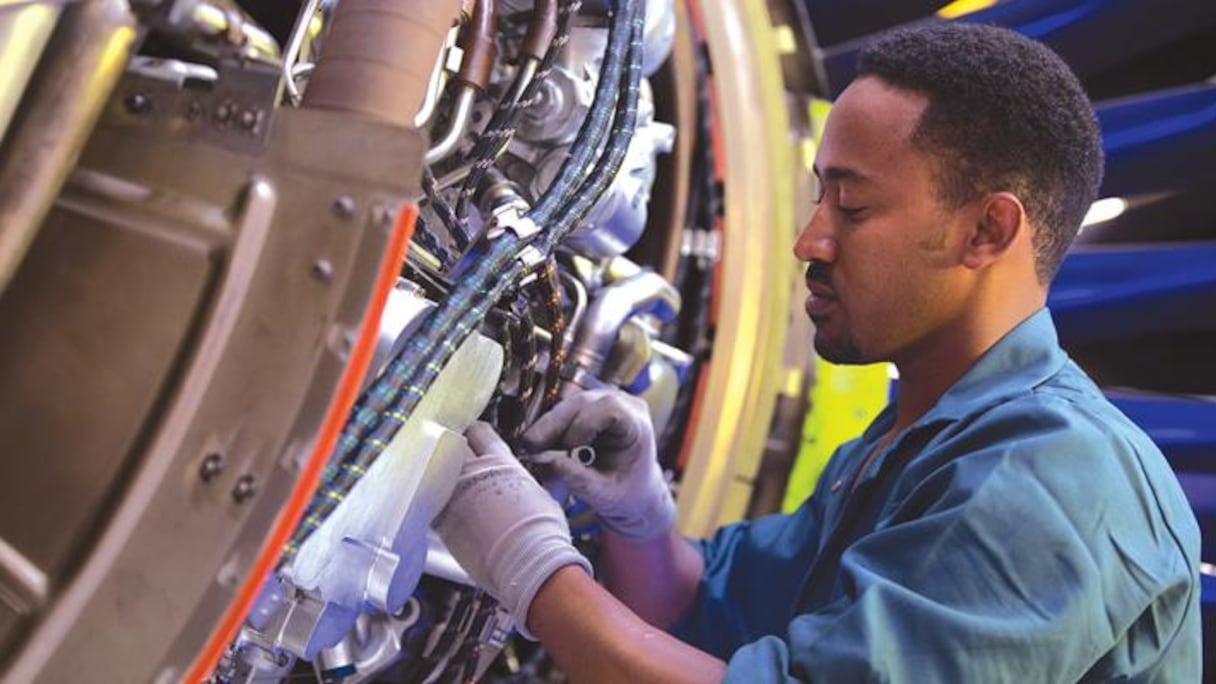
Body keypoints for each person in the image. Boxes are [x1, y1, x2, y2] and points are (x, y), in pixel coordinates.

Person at [433, 22, 1202, 682]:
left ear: (987, 231)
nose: (810, 241)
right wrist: (638, 516)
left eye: (853, 205)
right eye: (818, 196)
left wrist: (530, 565)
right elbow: (699, 609)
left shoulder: (1055, 478)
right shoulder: (909, 447)